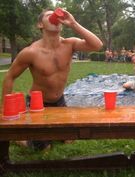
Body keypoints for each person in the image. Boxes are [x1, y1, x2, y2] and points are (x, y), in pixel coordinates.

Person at [1, 8, 103, 150]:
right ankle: (21, 139)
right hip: (37, 105)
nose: (54, 17)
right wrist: (5, 109)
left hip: (60, 101)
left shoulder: (69, 44)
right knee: (43, 147)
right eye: (49, 15)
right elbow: (10, 77)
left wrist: (73, 23)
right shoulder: (31, 52)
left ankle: (48, 133)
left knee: (69, 139)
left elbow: (97, 45)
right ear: (40, 25)